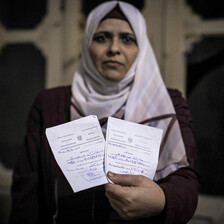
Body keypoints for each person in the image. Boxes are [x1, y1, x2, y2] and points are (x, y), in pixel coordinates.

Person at [10, 1, 199, 223]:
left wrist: (162, 199)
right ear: (87, 44)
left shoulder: (167, 102)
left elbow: (186, 182)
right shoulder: (50, 102)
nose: (114, 48)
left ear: (142, 49)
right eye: (102, 38)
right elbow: (27, 190)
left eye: (127, 39)